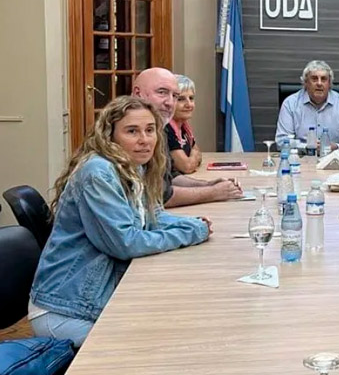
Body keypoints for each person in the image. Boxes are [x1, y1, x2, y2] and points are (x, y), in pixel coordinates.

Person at [28, 97, 212, 348]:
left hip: (94, 296)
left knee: (178, 320)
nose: (144, 140)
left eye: (150, 130)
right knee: (161, 343)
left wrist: (192, 225)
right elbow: (126, 243)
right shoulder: (98, 172)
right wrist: (192, 233)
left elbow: (153, 217)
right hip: (67, 309)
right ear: (110, 136)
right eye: (132, 131)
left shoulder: (134, 166)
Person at [133, 67, 242, 207]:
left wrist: (209, 184)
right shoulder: (124, 129)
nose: (170, 102)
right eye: (162, 92)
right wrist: (214, 192)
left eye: (174, 96)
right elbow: (160, 196)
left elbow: (170, 177)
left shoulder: (159, 129)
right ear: (138, 93)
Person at [275, 60, 339, 152]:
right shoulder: (290, 104)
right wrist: (306, 146)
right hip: (301, 158)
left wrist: (336, 147)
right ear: (306, 82)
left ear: (329, 84)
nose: (319, 83)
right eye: (314, 79)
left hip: (334, 158)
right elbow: (281, 142)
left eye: (323, 79)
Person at [166, 74, 202, 175]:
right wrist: (194, 156)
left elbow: (197, 150)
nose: (189, 104)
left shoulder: (184, 127)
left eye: (191, 98)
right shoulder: (166, 128)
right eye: (181, 99)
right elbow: (186, 167)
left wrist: (193, 156)